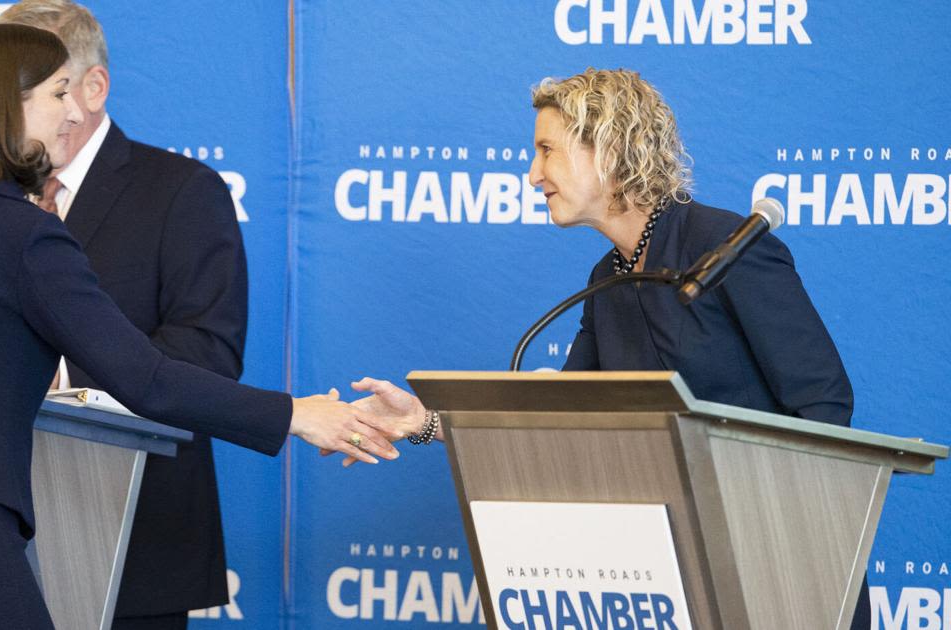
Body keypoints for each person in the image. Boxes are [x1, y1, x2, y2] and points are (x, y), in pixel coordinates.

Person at [0, 22, 397, 630]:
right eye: (57, 93)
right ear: (7, 105)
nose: (72, 113)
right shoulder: (24, 235)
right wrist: (296, 414)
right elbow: (145, 379)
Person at [350, 68, 865, 629]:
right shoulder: (609, 275)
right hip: (681, 569)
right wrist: (426, 421)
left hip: (787, 561)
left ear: (611, 149)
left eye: (546, 151)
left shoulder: (728, 246)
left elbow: (824, 404)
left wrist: (776, 523)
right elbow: (563, 416)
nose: (532, 175)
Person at [0, 3, 248, 626]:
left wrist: (52, 380)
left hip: (133, 538)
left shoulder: (182, 191)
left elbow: (209, 353)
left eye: (31, 86)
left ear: (92, 88)